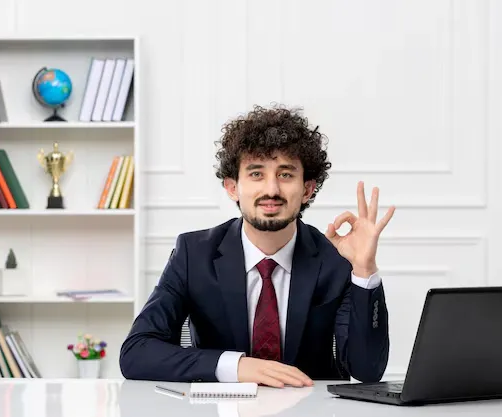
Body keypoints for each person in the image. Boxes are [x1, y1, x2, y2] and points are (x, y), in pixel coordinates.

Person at [119, 104, 396, 388]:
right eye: (256, 174)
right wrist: (235, 366)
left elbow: (366, 371)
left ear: (307, 190)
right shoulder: (194, 254)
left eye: (286, 174)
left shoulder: (334, 258)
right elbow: (136, 353)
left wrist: (363, 270)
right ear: (232, 187)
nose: (271, 190)